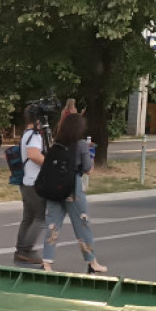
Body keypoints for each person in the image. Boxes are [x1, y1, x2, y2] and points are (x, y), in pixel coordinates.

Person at [42, 113, 108, 274]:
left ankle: (46, 262)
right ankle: (92, 261)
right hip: (73, 187)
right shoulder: (81, 144)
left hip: (53, 187)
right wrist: (90, 154)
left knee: (52, 224)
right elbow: (88, 170)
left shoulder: (56, 144)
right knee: (82, 224)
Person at [14, 104, 47, 266]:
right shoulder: (34, 135)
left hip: (27, 182)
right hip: (35, 183)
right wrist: (49, 164)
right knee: (41, 218)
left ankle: (21, 251)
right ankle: (26, 250)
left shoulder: (26, 134)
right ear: (38, 119)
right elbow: (33, 155)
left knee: (28, 218)